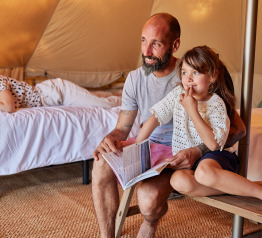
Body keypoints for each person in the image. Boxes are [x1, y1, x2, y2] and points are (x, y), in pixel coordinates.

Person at [92, 13, 246, 238]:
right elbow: (123, 128)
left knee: (148, 201)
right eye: (144, 41)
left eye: (156, 44)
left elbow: (238, 129)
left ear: (175, 45)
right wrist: (111, 138)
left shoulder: (193, 73)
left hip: (176, 153)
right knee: (100, 161)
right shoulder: (135, 79)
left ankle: (152, 219)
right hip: (148, 146)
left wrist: (198, 150)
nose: (146, 51)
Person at [135, 45, 262, 214]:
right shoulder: (177, 93)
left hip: (218, 156)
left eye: (196, 73)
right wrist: (136, 145)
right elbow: (156, 117)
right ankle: (245, 188)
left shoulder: (216, 103)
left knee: (204, 173)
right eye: (185, 72)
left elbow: (213, 144)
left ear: (212, 76)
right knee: (178, 181)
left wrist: (192, 110)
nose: (188, 78)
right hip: (192, 165)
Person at [0, 74, 121, 113]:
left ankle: (126, 98)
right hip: (51, 97)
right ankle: (117, 93)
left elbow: (9, 107)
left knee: (105, 105)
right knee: (93, 97)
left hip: (56, 91)